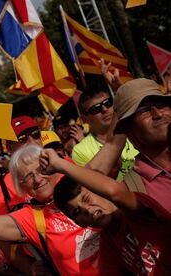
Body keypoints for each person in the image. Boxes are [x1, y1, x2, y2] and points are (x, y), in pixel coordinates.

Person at [0, 144, 101, 276]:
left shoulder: (81, 185)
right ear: (22, 187)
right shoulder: (31, 217)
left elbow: (112, 147)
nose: (37, 179)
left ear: (53, 167)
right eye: (28, 176)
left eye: (41, 170)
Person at [40, 148, 171, 275]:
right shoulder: (109, 243)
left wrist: (60, 164)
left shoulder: (135, 208)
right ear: (80, 224)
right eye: (77, 211)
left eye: (86, 198)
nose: (88, 209)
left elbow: (115, 192)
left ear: (99, 191)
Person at [87, 78, 171, 213]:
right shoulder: (134, 190)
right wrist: (113, 145)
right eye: (144, 110)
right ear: (130, 133)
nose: (158, 114)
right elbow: (80, 192)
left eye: (161, 104)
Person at [72, 89, 138, 181]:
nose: (105, 109)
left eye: (108, 103)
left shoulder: (133, 129)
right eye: (96, 109)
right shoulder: (79, 151)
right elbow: (92, 185)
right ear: (84, 119)